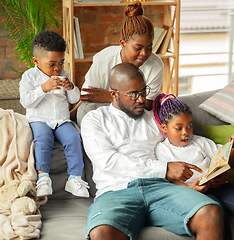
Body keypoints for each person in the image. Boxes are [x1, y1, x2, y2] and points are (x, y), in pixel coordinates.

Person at [81, 62, 224, 240]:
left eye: (143, 91)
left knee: (210, 213)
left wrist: (213, 172)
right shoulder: (95, 119)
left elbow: (184, 146)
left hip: (161, 188)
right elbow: (108, 161)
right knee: (101, 233)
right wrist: (164, 169)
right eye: (133, 94)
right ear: (114, 94)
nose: (141, 99)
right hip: (116, 191)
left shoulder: (155, 120)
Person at [153, 93, 234, 240]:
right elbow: (169, 180)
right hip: (195, 193)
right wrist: (190, 188)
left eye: (189, 126)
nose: (186, 133)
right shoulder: (162, 150)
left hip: (217, 185)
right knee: (219, 214)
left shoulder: (200, 142)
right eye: (178, 128)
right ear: (164, 127)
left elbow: (228, 163)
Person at [19, 30, 89, 198]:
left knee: (73, 138)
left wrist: (71, 87)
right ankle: (43, 178)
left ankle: (74, 178)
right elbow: (26, 101)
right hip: (40, 120)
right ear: (36, 61)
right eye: (52, 64)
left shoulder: (64, 75)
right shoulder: (30, 76)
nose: (57, 68)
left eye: (61, 63)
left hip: (61, 120)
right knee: (43, 140)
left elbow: (74, 99)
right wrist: (43, 88)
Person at [73, 1, 164, 125]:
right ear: (123, 43)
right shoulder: (103, 59)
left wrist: (110, 97)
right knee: (85, 110)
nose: (144, 53)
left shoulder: (155, 66)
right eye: (138, 48)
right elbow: (89, 97)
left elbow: (148, 104)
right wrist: (67, 118)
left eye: (149, 48)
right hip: (104, 111)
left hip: (136, 113)